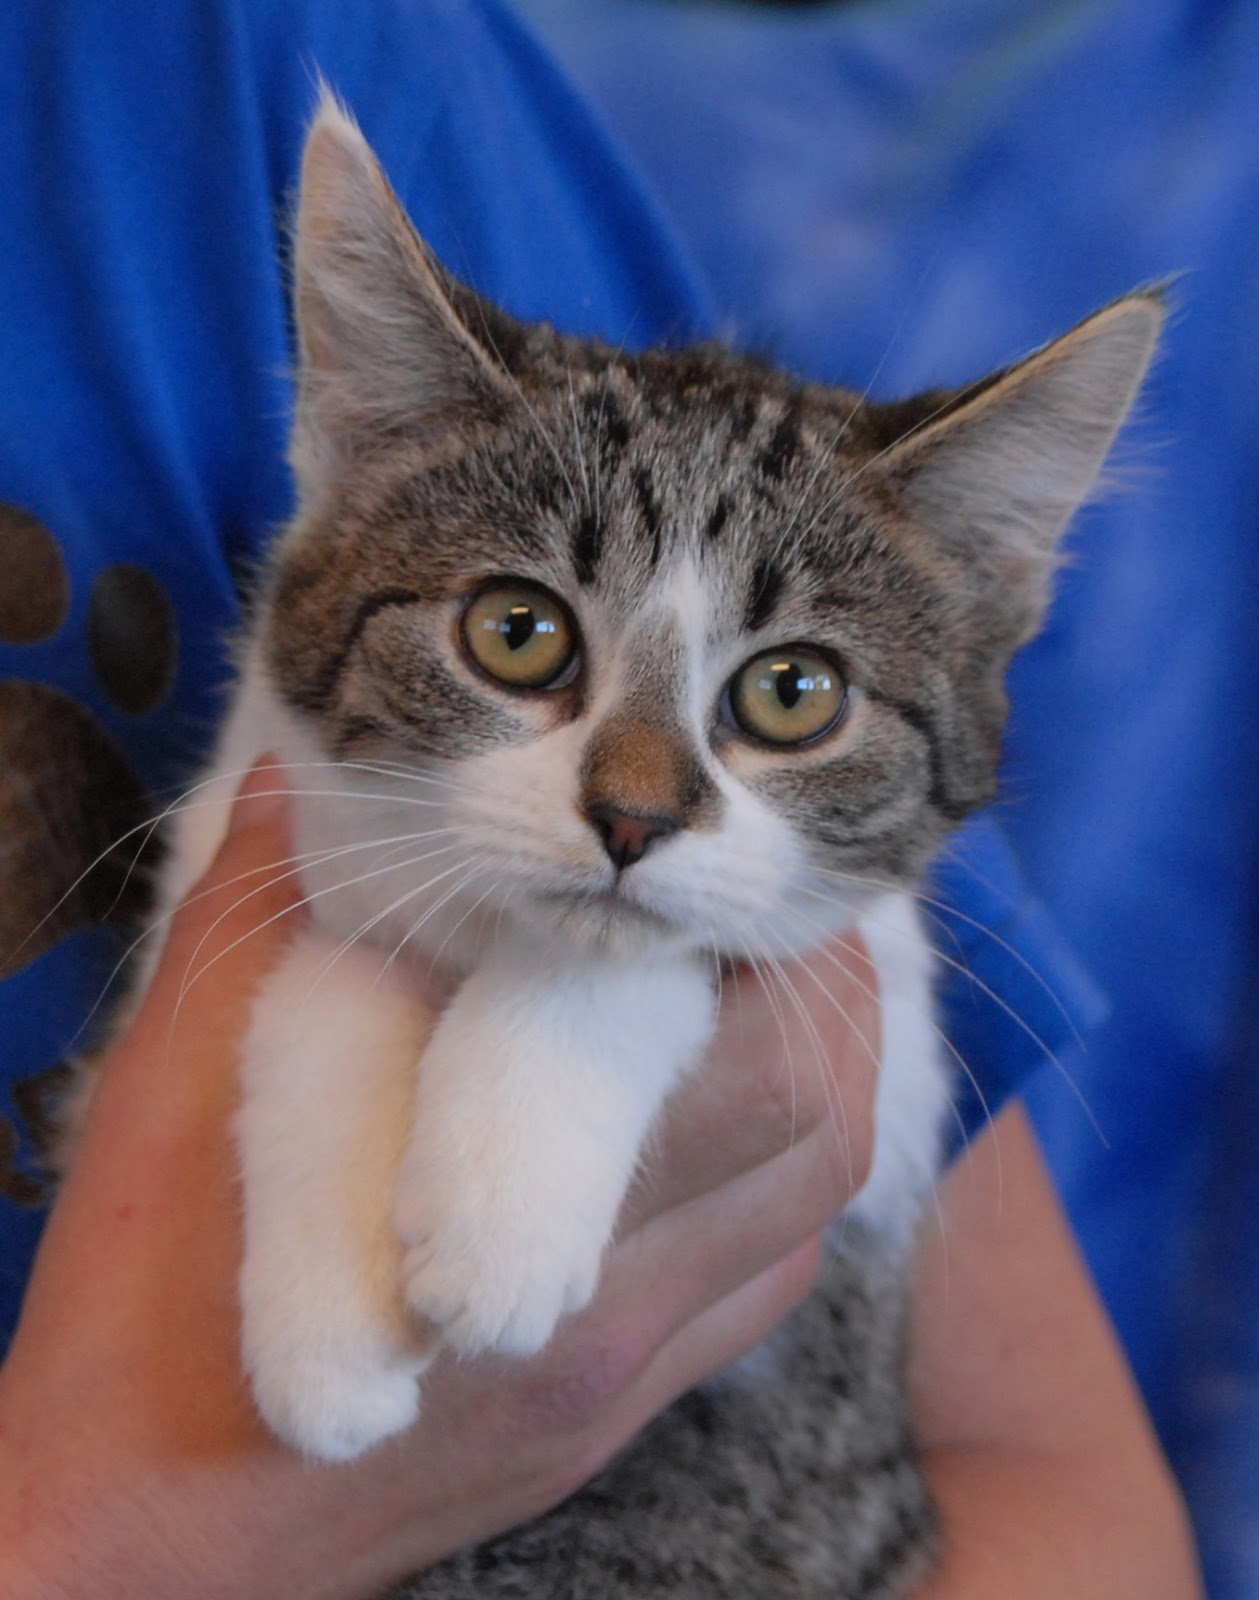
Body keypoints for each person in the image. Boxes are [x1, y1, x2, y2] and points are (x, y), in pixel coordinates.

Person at [0, 0, 1202, 1593]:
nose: (638, 799)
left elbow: (1058, 1480)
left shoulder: (241, 55)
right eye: (524, 637)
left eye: (786, 693)